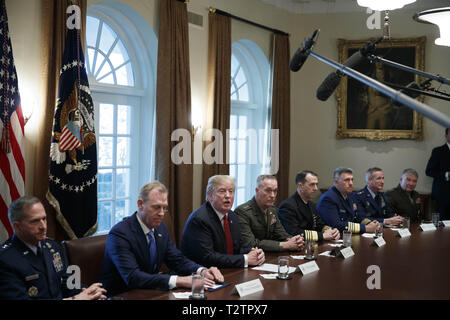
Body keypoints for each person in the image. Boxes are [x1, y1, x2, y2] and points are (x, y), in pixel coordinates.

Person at [100, 181, 223, 296]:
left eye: (164, 207)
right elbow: (133, 277)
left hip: (150, 292)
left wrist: (201, 271)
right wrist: (180, 280)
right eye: (156, 207)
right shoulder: (120, 233)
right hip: (122, 295)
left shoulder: (160, 228)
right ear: (140, 204)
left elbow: (177, 260)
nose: (162, 213)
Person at [0, 196, 107, 300]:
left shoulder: (52, 247)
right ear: (17, 226)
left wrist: (87, 292)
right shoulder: (5, 259)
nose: (43, 226)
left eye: (44, 219)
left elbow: (66, 281)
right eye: (35, 221)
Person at [181, 175, 265, 268]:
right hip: (200, 275)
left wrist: (254, 253)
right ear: (210, 195)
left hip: (227, 271)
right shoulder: (200, 219)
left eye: (231, 191)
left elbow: (239, 245)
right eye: (222, 191)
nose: (228, 196)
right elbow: (208, 257)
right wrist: (245, 259)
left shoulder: (232, 216)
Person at [235, 175, 304, 252]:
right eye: (268, 190)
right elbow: (251, 243)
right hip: (252, 258)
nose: (272, 195)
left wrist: (295, 241)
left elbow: (281, 234)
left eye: (275, 191)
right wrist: (285, 245)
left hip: (270, 256)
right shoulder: (242, 212)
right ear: (257, 191)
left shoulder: (272, 210)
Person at [278, 171, 340, 242]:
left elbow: (319, 224)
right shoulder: (288, 206)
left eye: (317, 184)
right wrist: (322, 236)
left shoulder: (311, 204)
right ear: (300, 186)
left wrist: (331, 231)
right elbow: (293, 232)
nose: (316, 188)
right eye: (312, 185)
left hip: (311, 245)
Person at [317, 167, 379, 234]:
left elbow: (357, 217)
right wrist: (365, 228)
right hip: (335, 237)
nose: (351, 183)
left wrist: (370, 223)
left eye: (352, 180)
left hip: (350, 234)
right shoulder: (328, 198)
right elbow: (336, 225)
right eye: (346, 180)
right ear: (336, 182)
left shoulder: (350, 195)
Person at [425, 128, 450, 219]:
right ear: (446, 135)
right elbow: (429, 171)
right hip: (442, 195)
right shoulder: (438, 151)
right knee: (441, 225)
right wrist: (446, 174)